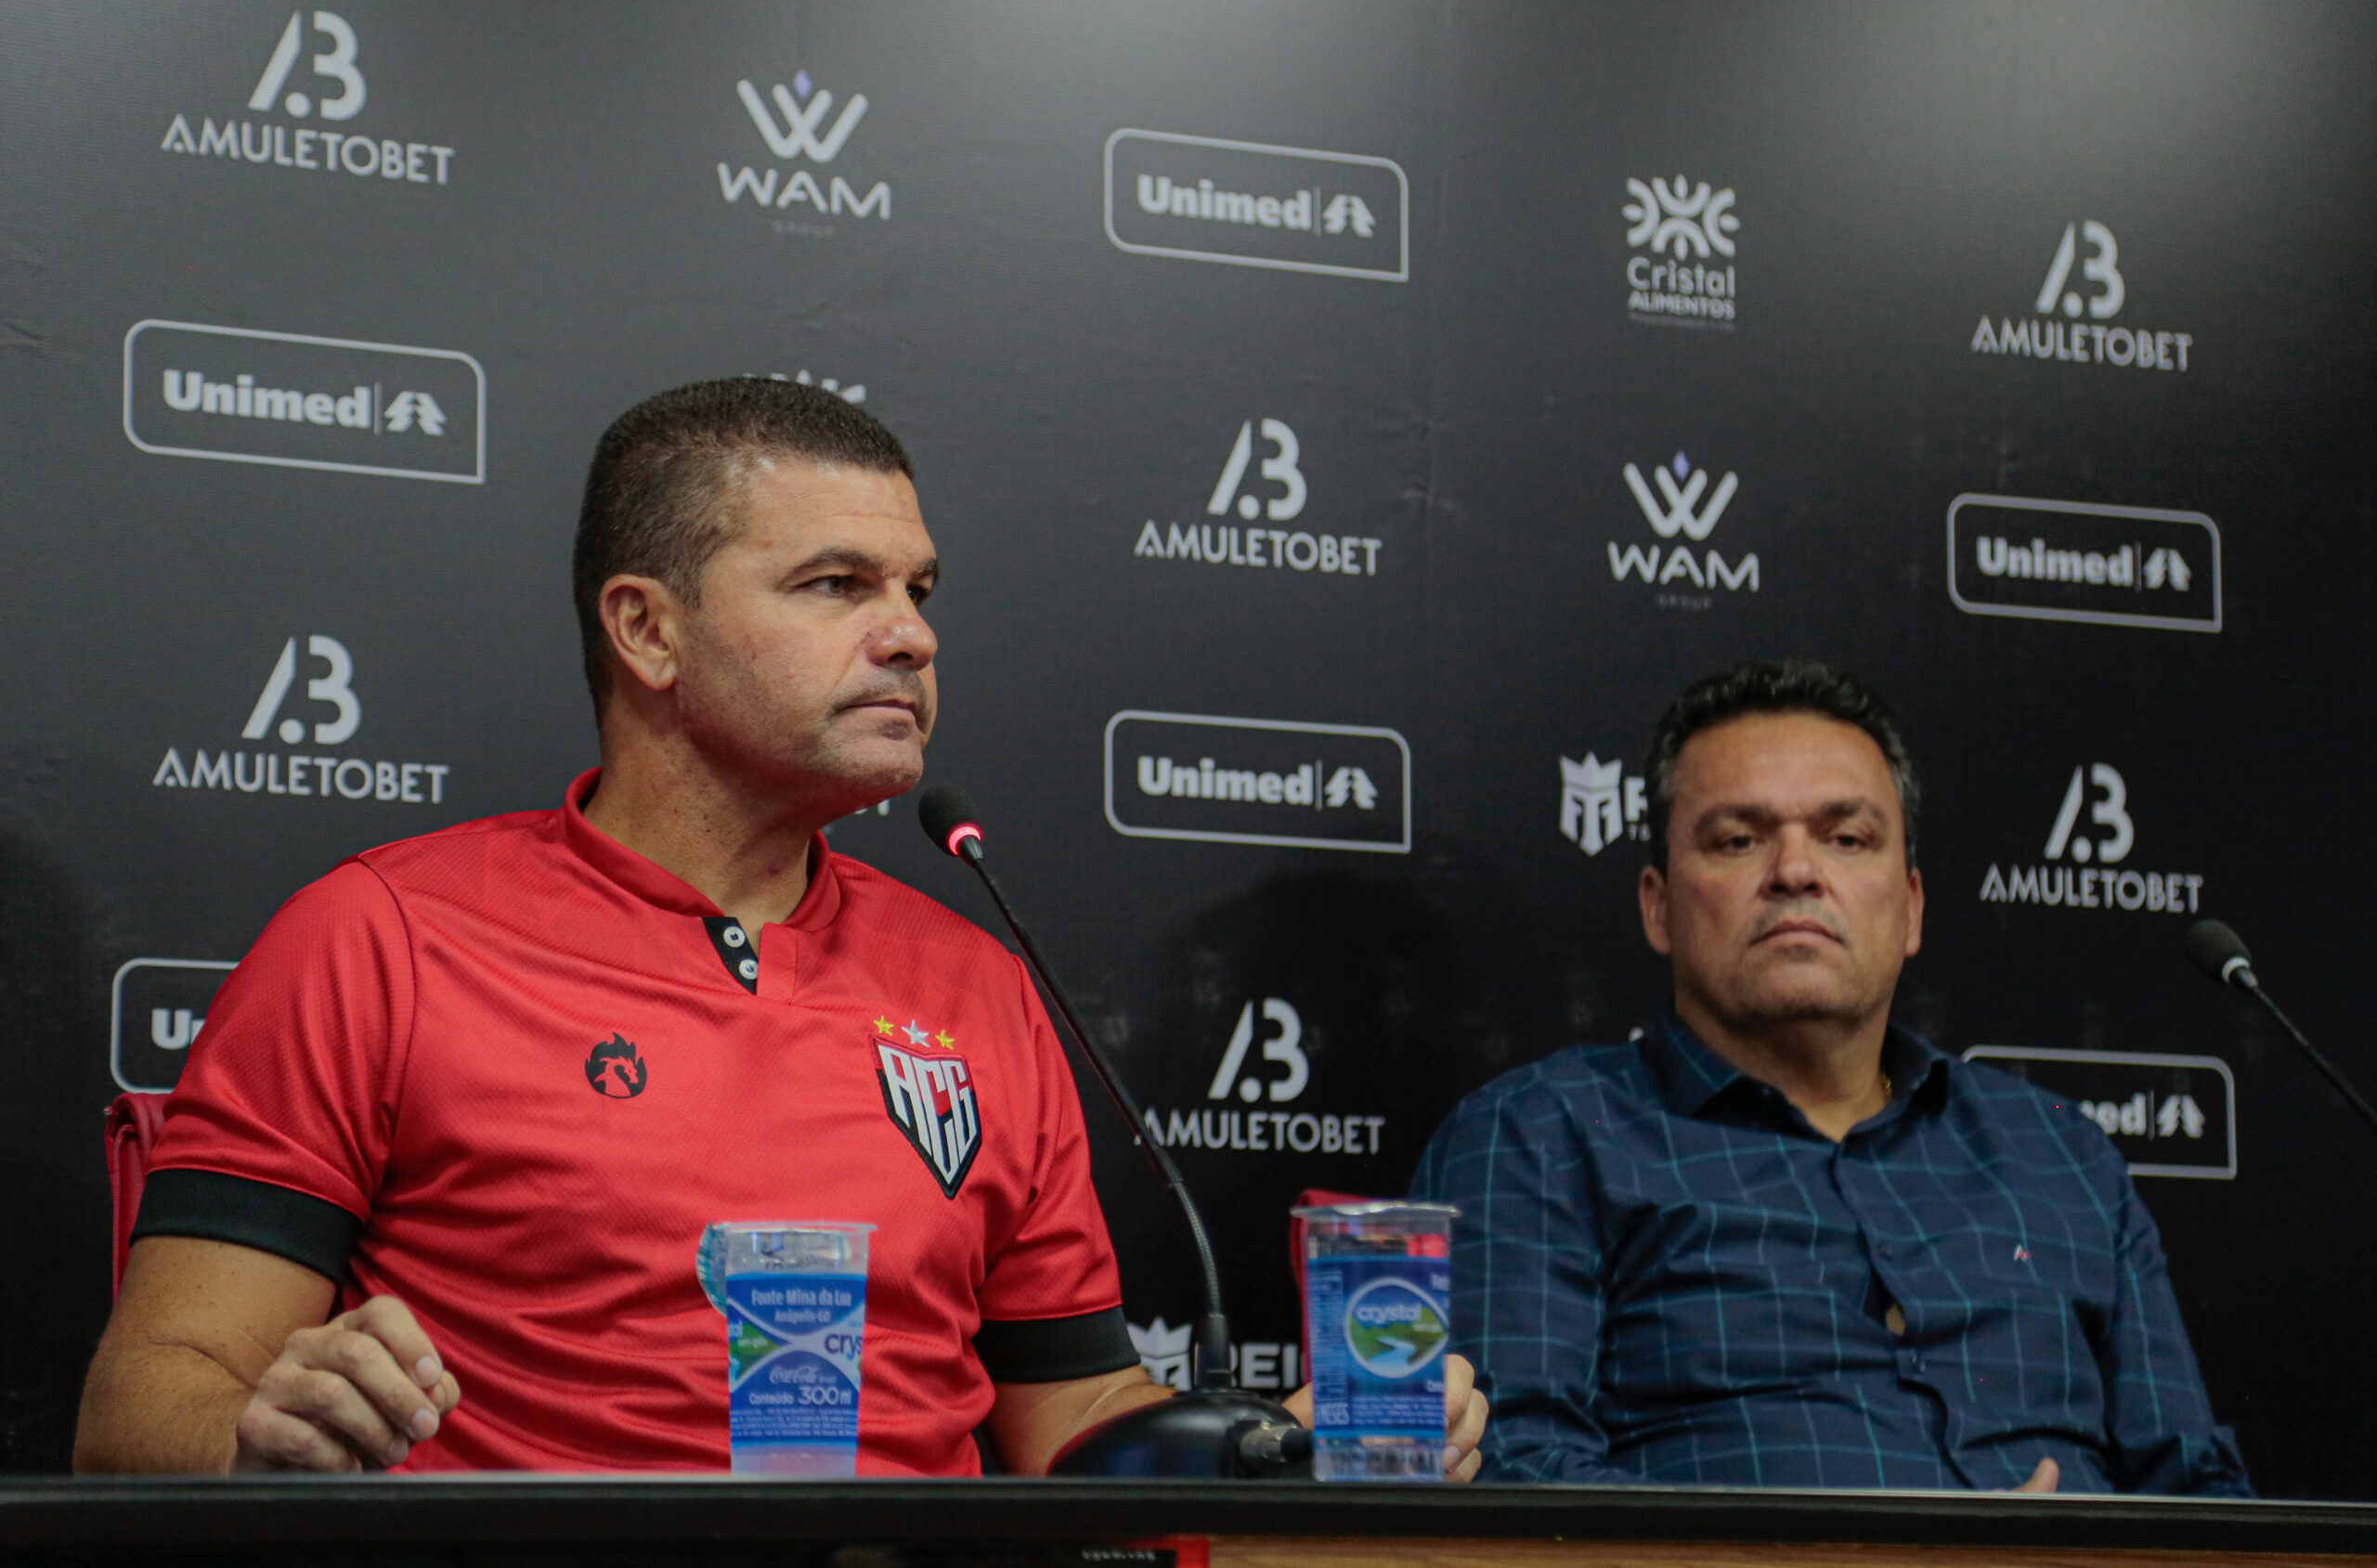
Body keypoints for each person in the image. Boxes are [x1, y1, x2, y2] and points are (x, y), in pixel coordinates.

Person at [76, 378, 1487, 1478]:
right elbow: (153, 1395)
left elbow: (1074, 1418)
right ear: (647, 630)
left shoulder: (977, 983)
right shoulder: (377, 937)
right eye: (836, 586)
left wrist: (1267, 1447)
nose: (912, 636)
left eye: (919, 591)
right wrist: (262, 1433)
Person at [1412, 660, 2248, 1494]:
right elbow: (1510, 1482)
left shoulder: (2063, 1155)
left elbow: (2202, 1493)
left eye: (1846, 838)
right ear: (1659, 906)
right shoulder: (1536, 1136)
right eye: (1739, 840)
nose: (1796, 871)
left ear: (1912, 906)